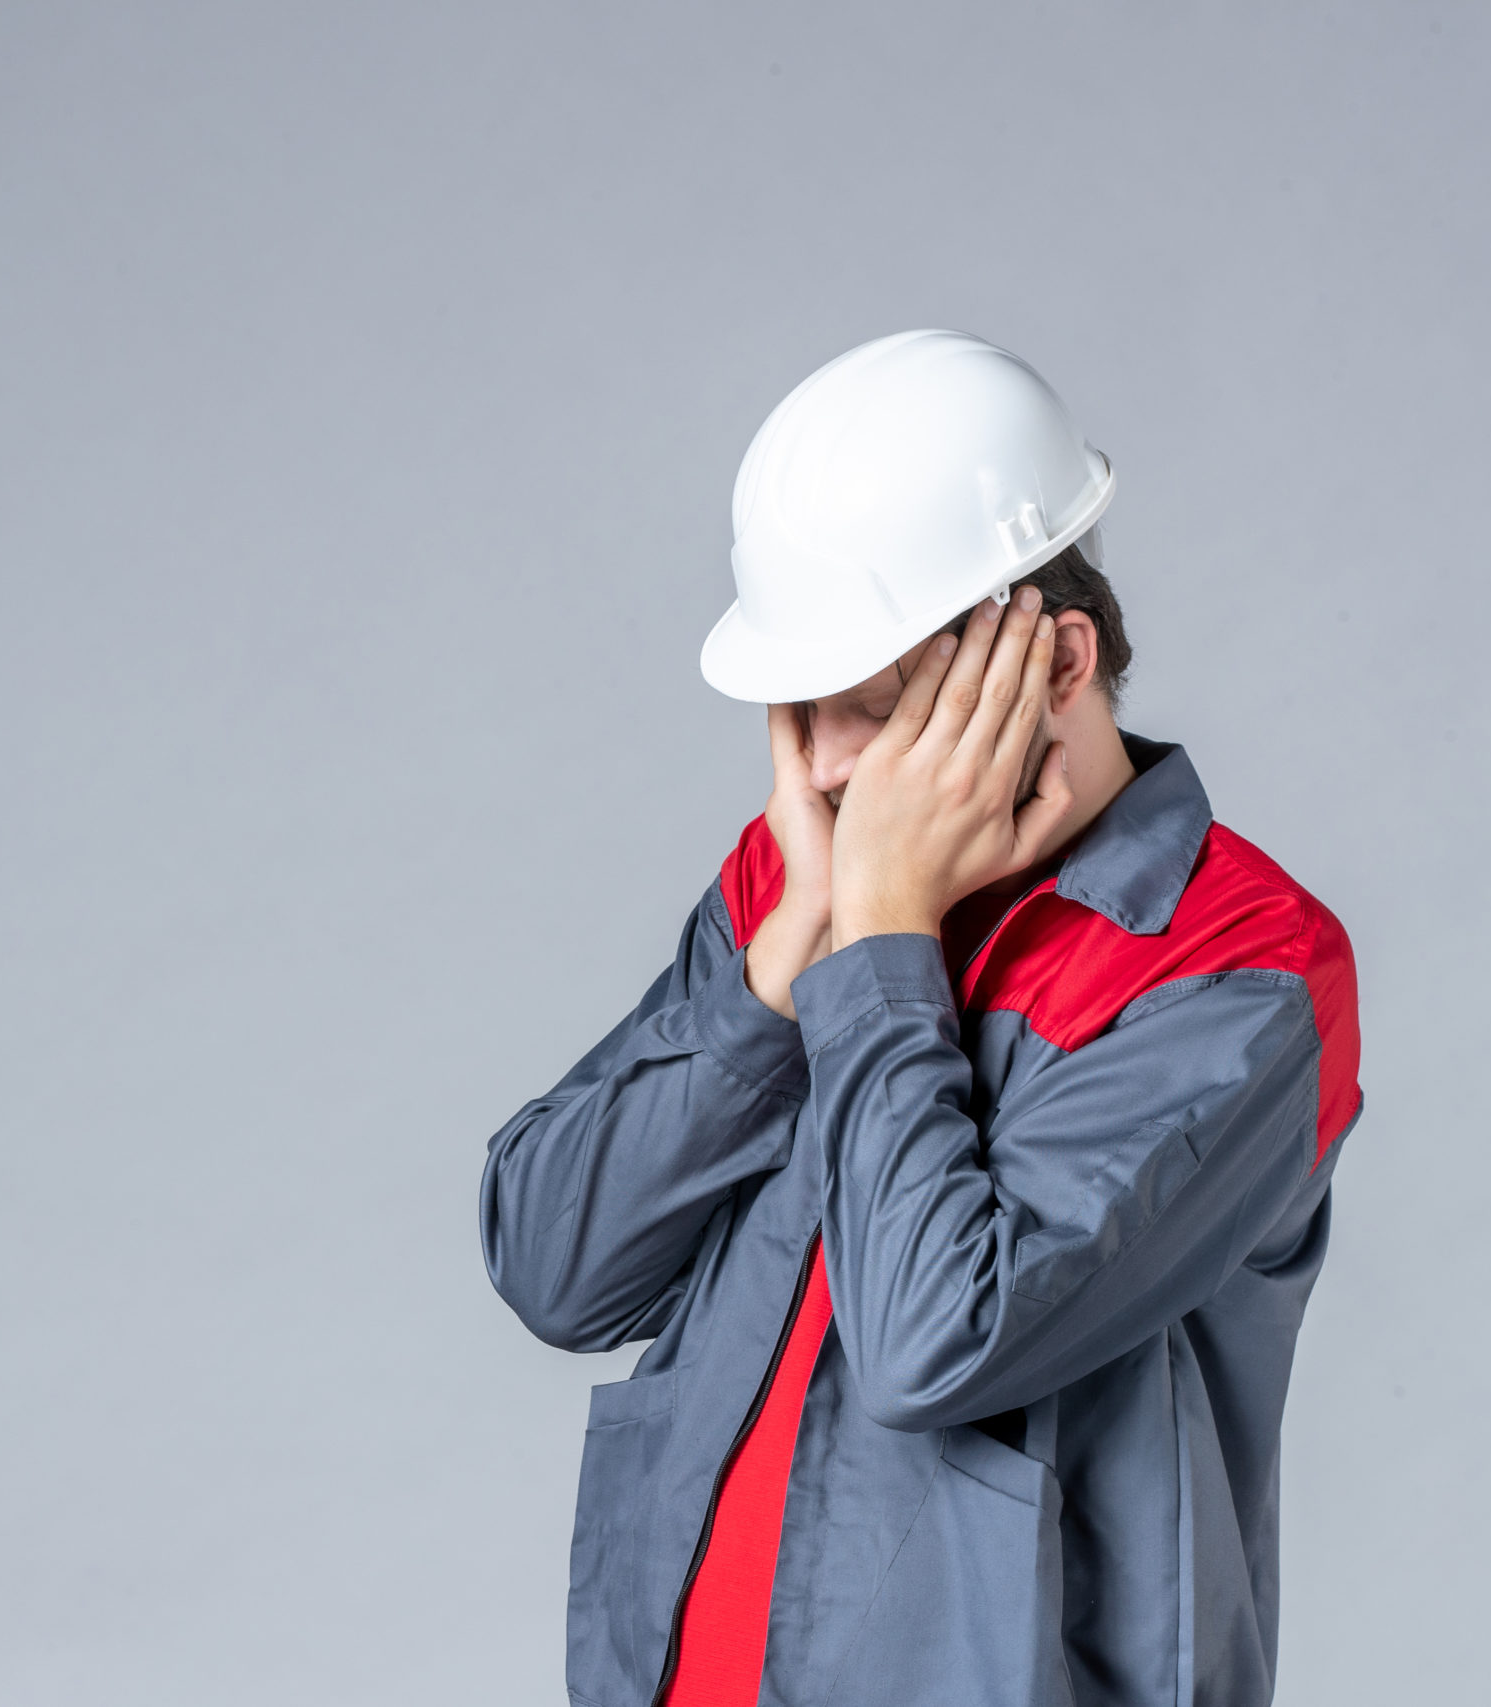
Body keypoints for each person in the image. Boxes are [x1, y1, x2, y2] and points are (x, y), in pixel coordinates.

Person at [479, 331, 1361, 1707]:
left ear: (1059, 666)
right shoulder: (803, 887)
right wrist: (777, 986)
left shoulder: (1237, 969)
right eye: (799, 712)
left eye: (873, 711)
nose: (824, 770)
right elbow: (551, 1264)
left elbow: (933, 1341)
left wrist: (883, 940)